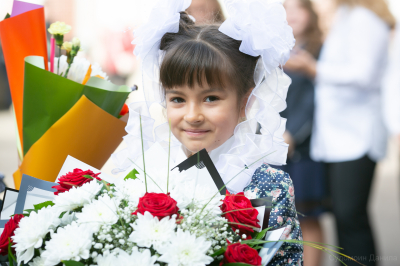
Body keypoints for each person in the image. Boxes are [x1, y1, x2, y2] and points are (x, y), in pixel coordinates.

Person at [114, 0, 303, 264]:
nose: (192, 116)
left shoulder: (267, 185)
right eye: (177, 99)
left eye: (211, 98)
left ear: (246, 101)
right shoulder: (145, 173)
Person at [288, 0, 395, 265]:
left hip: (356, 137)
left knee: (350, 217)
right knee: (346, 218)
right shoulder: (346, 17)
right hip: (340, 138)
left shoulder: (363, 19)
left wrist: (312, 68)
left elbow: (363, 74)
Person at [279, 1, 326, 266]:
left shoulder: (319, 51)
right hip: (277, 145)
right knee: (282, 216)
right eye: (286, 7)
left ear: (311, 13)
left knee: (307, 215)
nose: (292, 14)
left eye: (299, 7)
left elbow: (313, 101)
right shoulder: (273, 52)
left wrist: (293, 135)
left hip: (303, 146)